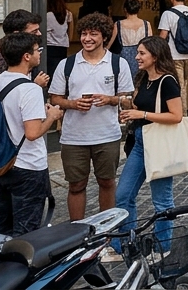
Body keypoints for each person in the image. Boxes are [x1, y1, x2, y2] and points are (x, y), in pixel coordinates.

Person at [48, 13, 133, 222]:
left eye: (93, 34)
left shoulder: (118, 64)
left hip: (107, 134)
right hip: (74, 137)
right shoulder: (67, 65)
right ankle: (77, 230)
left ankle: (106, 230)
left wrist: (111, 100)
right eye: (84, 34)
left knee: (107, 182)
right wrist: (73, 104)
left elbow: (129, 100)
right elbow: (55, 98)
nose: (87, 38)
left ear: (103, 37)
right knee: (76, 185)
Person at [0, 31, 64, 236]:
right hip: (27, 166)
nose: (39, 54)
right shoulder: (29, 89)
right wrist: (52, 117)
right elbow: (33, 133)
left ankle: (0, 264)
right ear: (27, 56)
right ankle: (22, 265)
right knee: (27, 230)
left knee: (2, 225)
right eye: (37, 50)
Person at [114, 36, 183, 254]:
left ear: (155, 55)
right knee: (123, 195)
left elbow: (176, 116)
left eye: (142, 53)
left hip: (159, 144)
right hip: (140, 143)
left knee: (162, 201)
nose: (137, 57)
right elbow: (138, 104)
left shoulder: (168, 81)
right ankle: (126, 242)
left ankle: (163, 247)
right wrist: (127, 108)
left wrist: (141, 113)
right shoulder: (144, 78)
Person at [0, 9, 50, 90]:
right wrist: (35, 85)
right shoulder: (2, 57)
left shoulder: (25, 51)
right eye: (34, 32)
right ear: (16, 34)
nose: (39, 34)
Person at [114, 0, 150, 79]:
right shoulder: (146, 24)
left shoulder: (118, 24)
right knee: (141, 79)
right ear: (138, 9)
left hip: (125, 55)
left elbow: (110, 44)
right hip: (142, 54)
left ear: (125, 9)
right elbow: (151, 43)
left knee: (126, 79)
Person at [44, 0, 73, 85]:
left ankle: (51, 88)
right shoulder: (68, 14)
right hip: (63, 45)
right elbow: (71, 31)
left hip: (50, 45)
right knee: (61, 68)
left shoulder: (48, 15)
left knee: (51, 69)